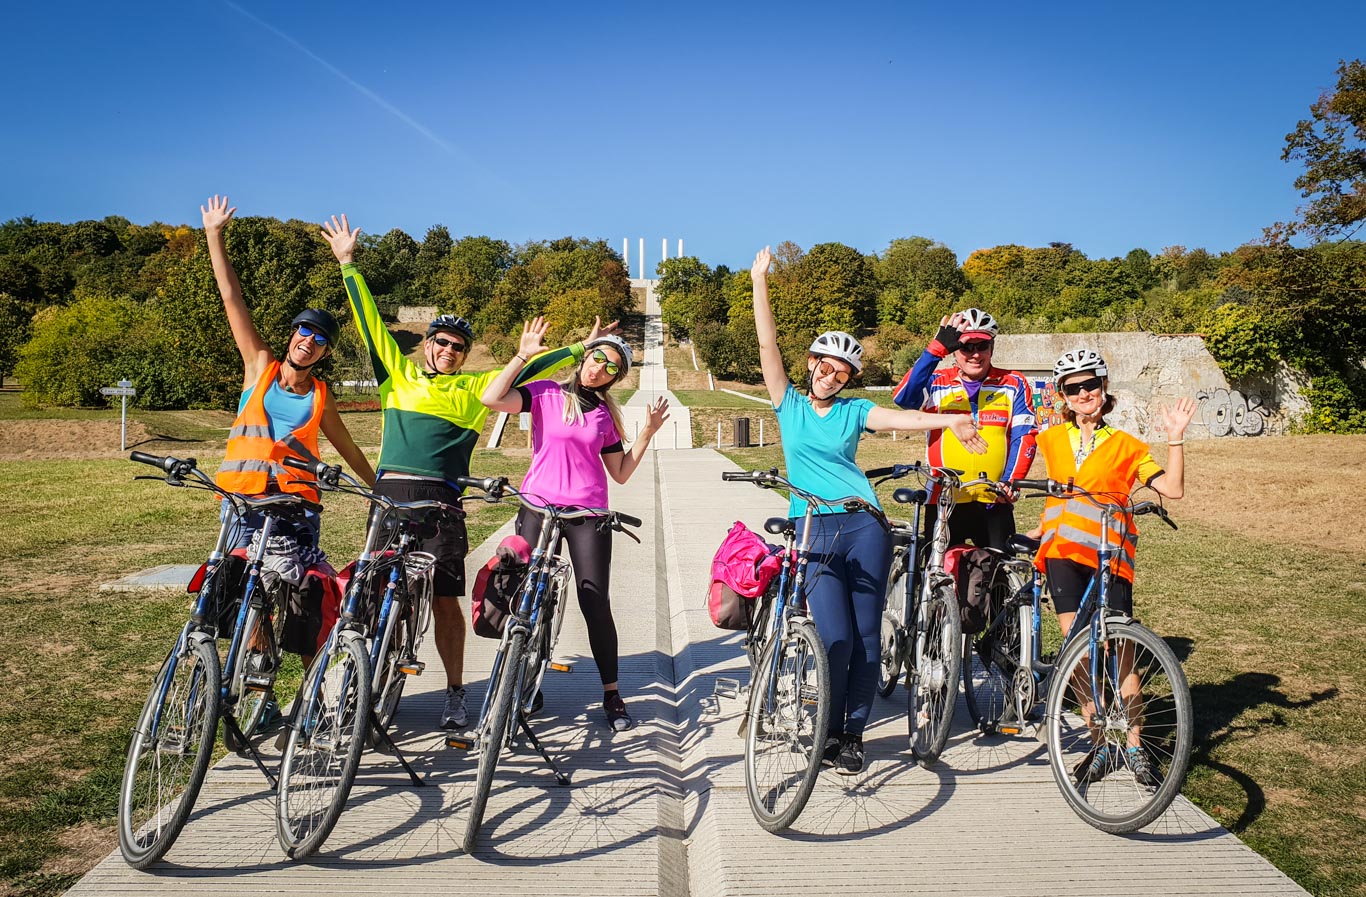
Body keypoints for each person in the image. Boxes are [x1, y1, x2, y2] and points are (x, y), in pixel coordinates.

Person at [321, 214, 596, 731]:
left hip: (443, 503)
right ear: (427, 344)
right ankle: (354, 676)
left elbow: (528, 369)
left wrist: (582, 348)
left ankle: (452, 692)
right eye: (440, 343)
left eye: (456, 347)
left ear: (464, 356)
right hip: (390, 496)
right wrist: (348, 265)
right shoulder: (397, 372)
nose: (447, 351)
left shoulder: (475, 390)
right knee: (370, 590)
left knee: (446, 599)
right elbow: (368, 322)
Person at [749, 246, 987, 774]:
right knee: (831, 636)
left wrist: (949, 423)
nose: (831, 376)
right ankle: (826, 729)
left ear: (849, 379)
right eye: (825, 366)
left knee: (864, 637)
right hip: (811, 524)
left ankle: (850, 735)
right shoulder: (787, 402)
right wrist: (759, 282)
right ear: (811, 364)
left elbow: (900, 419)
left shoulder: (856, 410)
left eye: (842, 372)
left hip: (863, 525)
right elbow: (767, 342)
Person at [202, 195, 376, 676]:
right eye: (304, 331)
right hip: (241, 499)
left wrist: (376, 489)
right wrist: (215, 235)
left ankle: (311, 692)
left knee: (301, 598)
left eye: (320, 339)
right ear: (292, 335)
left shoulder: (321, 396)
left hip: (297, 505)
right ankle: (258, 667)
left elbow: (348, 447)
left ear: (324, 353)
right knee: (241, 591)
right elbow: (231, 300)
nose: (309, 341)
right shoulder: (259, 366)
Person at [480, 318, 668, 731]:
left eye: (611, 366)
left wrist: (648, 433)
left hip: (587, 515)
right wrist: (525, 354)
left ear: (616, 377)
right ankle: (521, 672)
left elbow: (619, 472)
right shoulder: (546, 393)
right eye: (597, 357)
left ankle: (612, 693)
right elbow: (491, 398)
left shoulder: (604, 415)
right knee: (518, 589)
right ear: (586, 356)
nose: (599, 368)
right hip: (538, 507)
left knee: (593, 600)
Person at [1030, 347, 1195, 786]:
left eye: (1090, 384)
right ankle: (1101, 742)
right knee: (1079, 652)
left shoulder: (1127, 445)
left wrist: (1175, 436)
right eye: (1073, 387)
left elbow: (1173, 488)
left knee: (1122, 650)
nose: (1083, 392)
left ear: (1104, 388)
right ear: (1063, 395)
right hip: (1063, 553)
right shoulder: (1050, 437)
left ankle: (1136, 747)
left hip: (1110, 556)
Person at [892, 309, 1037, 550]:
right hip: (943, 498)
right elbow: (903, 398)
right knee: (937, 578)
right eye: (967, 347)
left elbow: (1025, 436)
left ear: (992, 347)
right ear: (954, 352)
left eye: (983, 346)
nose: (975, 354)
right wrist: (935, 350)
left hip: (994, 498)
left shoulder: (1013, 382)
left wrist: (1011, 481)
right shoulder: (937, 381)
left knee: (999, 578)